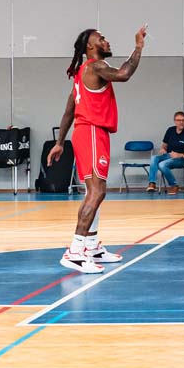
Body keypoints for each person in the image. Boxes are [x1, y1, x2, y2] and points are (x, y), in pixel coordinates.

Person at [48, 25, 146, 273]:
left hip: (91, 132)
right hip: (91, 131)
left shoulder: (82, 73)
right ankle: (75, 251)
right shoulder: (95, 66)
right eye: (101, 39)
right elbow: (124, 73)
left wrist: (60, 143)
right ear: (90, 46)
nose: (106, 41)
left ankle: (91, 246)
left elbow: (69, 111)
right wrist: (138, 47)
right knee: (96, 191)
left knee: (96, 191)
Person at [146, 111, 184, 194]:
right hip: (168, 155)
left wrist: (181, 155)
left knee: (162, 164)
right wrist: (163, 149)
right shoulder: (170, 130)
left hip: (181, 159)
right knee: (154, 158)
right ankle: (152, 183)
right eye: (179, 120)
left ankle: (174, 186)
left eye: (183, 120)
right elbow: (164, 145)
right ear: (175, 121)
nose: (181, 122)